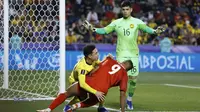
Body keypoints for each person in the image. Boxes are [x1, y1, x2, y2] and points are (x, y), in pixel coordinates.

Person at [83, 0, 165, 110]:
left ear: (131, 10)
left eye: (127, 9)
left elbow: (147, 29)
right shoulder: (116, 22)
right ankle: (102, 102)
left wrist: (155, 31)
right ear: (121, 10)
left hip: (133, 54)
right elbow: (105, 30)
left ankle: (129, 99)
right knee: (115, 79)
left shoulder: (137, 21)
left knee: (133, 79)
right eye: (123, 10)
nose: (125, 11)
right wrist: (93, 29)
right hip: (121, 54)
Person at [37, 57, 133, 112]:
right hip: (101, 89)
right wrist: (123, 110)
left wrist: (89, 76)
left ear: (123, 62)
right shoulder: (124, 75)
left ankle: (49, 109)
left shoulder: (110, 59)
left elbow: (96, 67)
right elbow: (122, 94)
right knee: (92, 100)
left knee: (66, 93)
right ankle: (76, 106)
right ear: (127, 69)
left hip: (88, 80)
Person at [36, 44, 107, 112]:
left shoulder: (94, 60)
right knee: (82, 95)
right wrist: (95, 92)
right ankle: (68, 106)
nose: (98, 54)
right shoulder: (82, 67)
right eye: (96, 53)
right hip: (76, 80)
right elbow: (82, 84)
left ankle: (101, 107)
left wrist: (107, 59)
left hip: (87, 78)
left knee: (102, 87)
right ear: (89, 56)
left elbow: (100, 65)